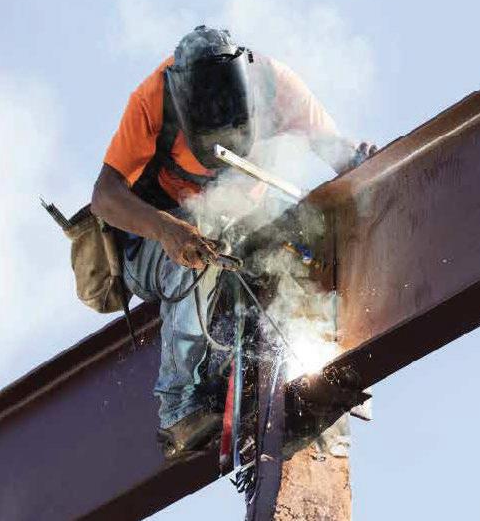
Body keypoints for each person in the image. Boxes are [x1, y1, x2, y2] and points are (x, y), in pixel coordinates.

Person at [91, 26, 375, 458]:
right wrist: (167, 230)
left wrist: (365, 165)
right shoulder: (153, 100)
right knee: (198, 244)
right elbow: (104, 196)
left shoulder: (277, 87)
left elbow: (336, 153)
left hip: (238, 231)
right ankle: (179, 406)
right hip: (153, 244)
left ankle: (311, 357)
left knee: (304, 230)